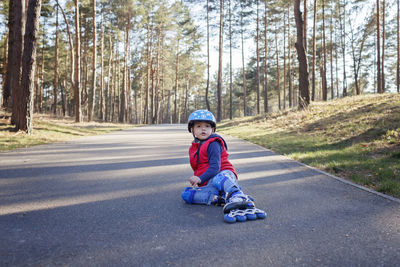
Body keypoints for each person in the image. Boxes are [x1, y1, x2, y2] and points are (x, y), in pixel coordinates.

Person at [181, 109, 266, 223]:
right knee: (187, 194)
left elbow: (215, 168)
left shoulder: (213, 143)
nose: (203, 129)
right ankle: (221, 199)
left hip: (224, 174)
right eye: (199, 126)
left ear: (213, 129)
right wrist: (200, 180)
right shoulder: (194, 147)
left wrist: (200, 178)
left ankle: (237, 195)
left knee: (218, 178)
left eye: (207, 126)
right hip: (209, 180)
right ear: (192, 130)